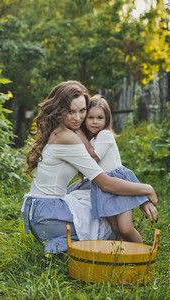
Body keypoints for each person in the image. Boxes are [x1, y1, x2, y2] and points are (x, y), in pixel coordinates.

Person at [21, 80, 158, 254]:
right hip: (49, 216)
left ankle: (125, 251)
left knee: (89, 189)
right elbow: (106, 183)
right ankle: (132, 253)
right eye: (71, 111)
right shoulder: (68, 137)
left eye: (82, 111)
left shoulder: (60, 130)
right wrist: (146, 190)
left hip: (40, 212)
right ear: (59, 109)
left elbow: (102, 171)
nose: (78, 118)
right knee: (106, 212)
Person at [69, 95, 154, 243]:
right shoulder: (91, 139)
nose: (95, 122)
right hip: (103, 187)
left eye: (100, 117)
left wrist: (77, 132)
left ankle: (142, 255)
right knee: (114, 228)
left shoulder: (105, 135)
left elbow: (93, 157)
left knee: (125, 228)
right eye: (91, 117)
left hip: (118, 183)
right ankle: (121, 256)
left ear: (107, 119)